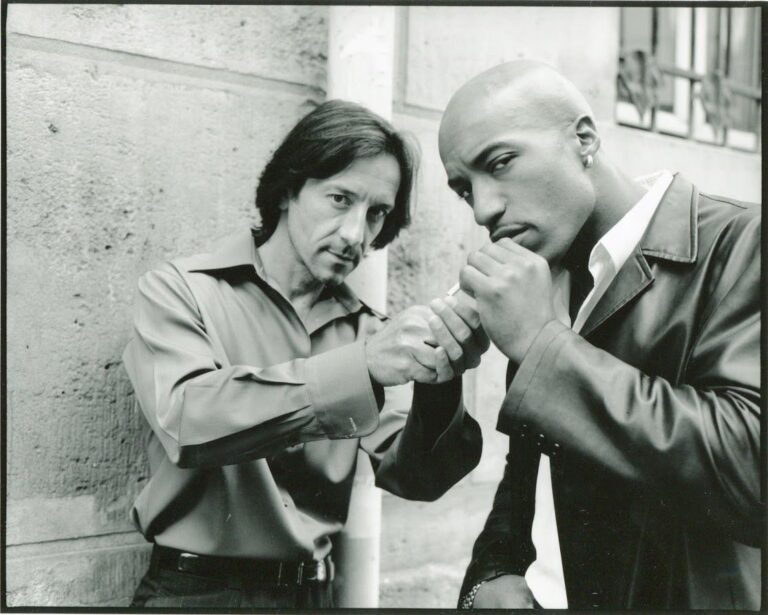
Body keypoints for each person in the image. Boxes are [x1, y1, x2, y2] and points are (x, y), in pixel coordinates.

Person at [123, 99, 487, 608]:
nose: (356, 234)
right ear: (288, 189)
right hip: (195, 594)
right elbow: (185, 420)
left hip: (312, 596)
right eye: (340, 199)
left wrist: (440, 371)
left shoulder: (367, 330)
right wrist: (360, 367)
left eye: (376, 213)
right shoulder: (180, 290)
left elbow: (419, 478)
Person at [438, 61, 761, 610]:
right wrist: (490, 575)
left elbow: (750, 468)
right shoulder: (547, 278)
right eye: (465, 189)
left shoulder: (744, 241)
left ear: (583, 139)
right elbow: (532, 478)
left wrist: (541, 344)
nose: (484, 208)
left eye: (501, 162)